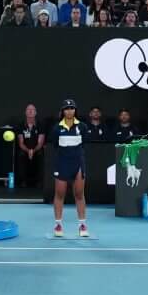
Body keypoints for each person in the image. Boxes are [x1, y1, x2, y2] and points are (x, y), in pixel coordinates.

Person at [51, 96, 91, 239]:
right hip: (62, 163)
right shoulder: (57, 128)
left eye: (72, 108)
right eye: (67, 109)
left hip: (78, 163)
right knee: (60, 194)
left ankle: (82, 225)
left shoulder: (82, 127)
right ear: (63, 111)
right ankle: (58, 224)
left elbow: (84, 144)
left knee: (79, 194)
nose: (69, 111)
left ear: (75, 111)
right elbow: (55, 145)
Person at [11, 102, 45, 192]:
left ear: (35, 113)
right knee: (21, 155)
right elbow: (21, 143)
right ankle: (23, 181)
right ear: (25, 113)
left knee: (40, 154)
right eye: (28, 110)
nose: (30, 111)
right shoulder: (21, 125)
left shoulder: (40, 125)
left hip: (36, 148)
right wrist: (28, 150)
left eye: (32, 110)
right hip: (25, 148)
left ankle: (39, 181)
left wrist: (33, 151)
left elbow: (40, 142)